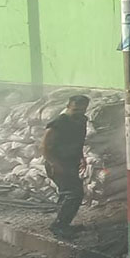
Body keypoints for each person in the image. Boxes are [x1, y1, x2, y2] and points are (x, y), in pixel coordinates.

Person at [42, 95, 89, 237]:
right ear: (68, 106)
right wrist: (55, 165)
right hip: (58, 163)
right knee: (74, 194)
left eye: (82, 109)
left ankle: (63, 224)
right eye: (75, 109)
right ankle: (59, 226)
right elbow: (44, 146)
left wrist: (82, 157)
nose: (78, 112)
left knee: (67, 194)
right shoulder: (58, 123)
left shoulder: (81, 120)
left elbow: (78, 141)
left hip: (71, 161)